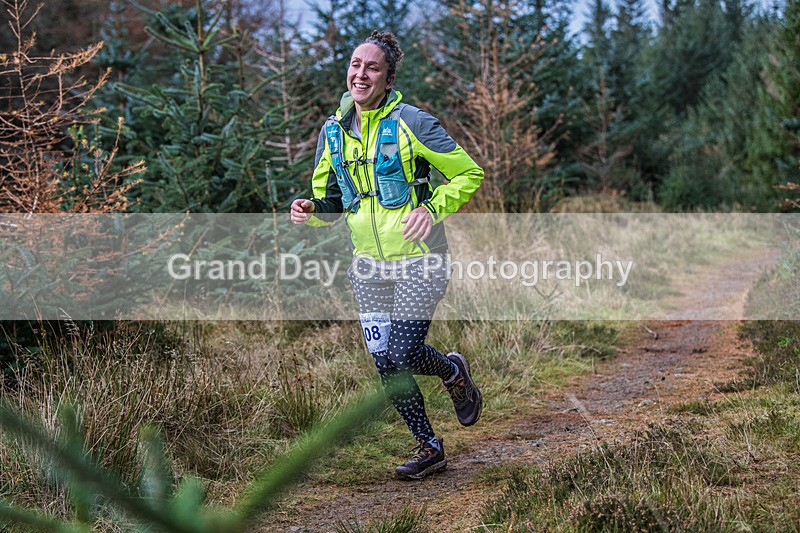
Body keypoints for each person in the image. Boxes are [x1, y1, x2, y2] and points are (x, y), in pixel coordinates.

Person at [290, 30, 484, 481]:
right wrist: (310, 210)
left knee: (404, 350)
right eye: (355, 65)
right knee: (384, 359)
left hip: (421, 259)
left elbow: (468, 174)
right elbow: (332, 203)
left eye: (372, 67)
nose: (361, 74)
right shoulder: (333, 132)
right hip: (369, 267)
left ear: (388, 78)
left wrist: (431, 209)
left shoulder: (412, 122)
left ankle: (452, 372)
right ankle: (428, 446)